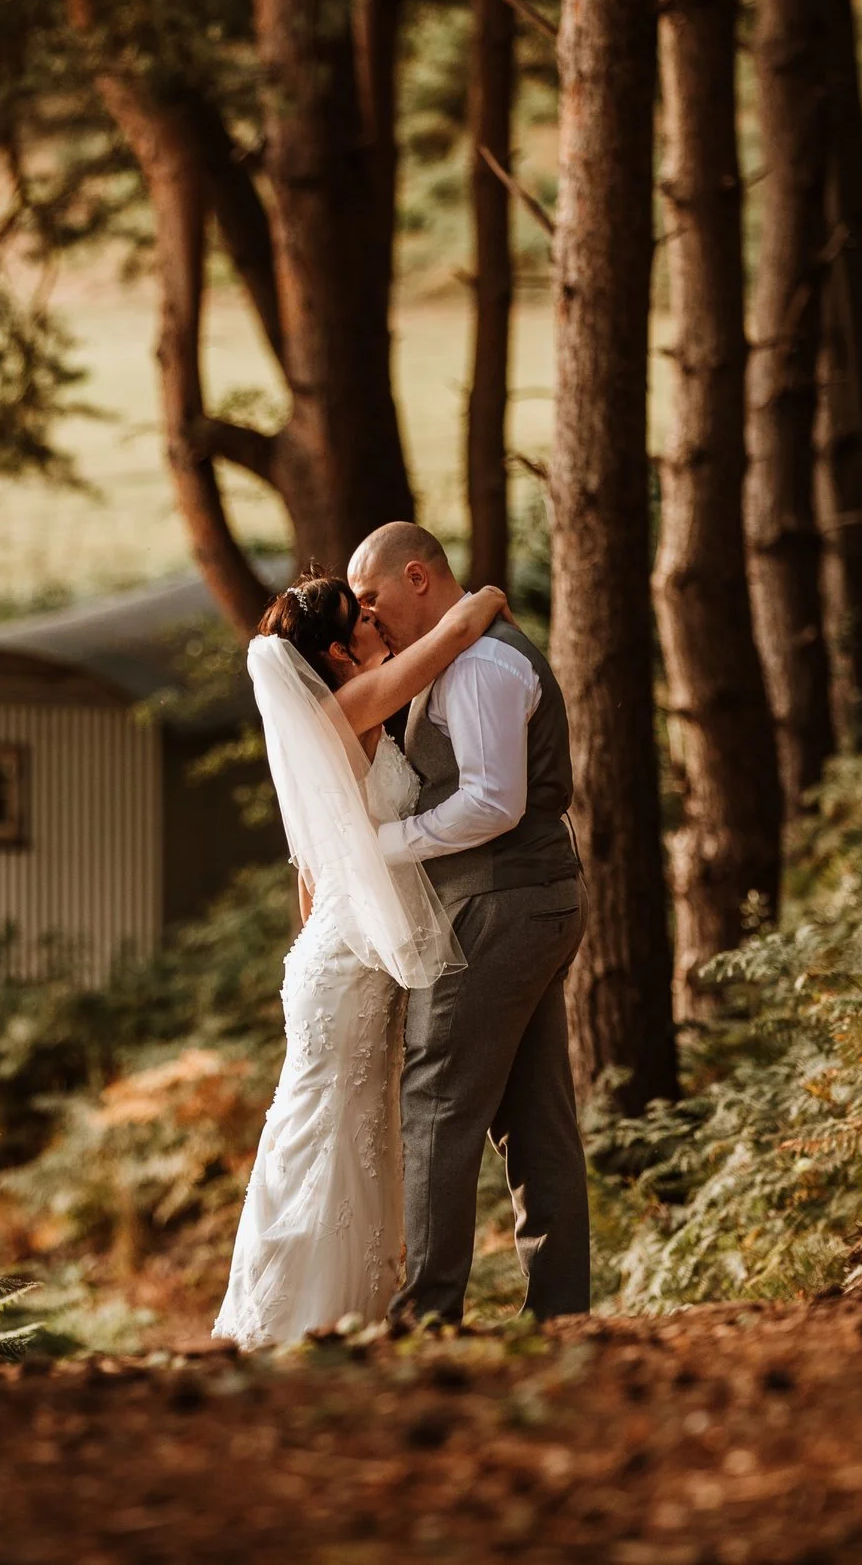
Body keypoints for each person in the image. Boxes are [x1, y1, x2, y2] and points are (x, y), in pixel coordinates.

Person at [212, 570, 511, 1349]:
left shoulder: (336, 717)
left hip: (332, 955)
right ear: (343, 654)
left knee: (338, 1128)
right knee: (331, 1131)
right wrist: (478, 602)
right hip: (342, 969)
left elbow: (316, 867)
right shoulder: (351, 705)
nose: (378, 620)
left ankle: (335, 1315)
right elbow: (451, 638)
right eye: (364, 617)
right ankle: (296, 1320)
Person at [346, 521, 588, 1329]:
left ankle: (428, 1310)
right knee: (534, 1114)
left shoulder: (483, 664)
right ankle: (558, 1311)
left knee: (437, 1097)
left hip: (499, 905)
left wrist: (388, 846)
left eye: (373, 599)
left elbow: (494, 801)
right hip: (527, 899)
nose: (368, 618)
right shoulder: (455, 658)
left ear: (418, 578)